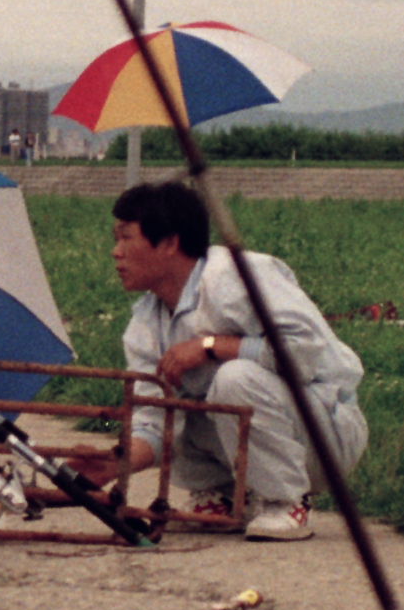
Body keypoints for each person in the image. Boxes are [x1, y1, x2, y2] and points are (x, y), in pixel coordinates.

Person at [107, 178, 362, 543]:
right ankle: (220, 497)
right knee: (169, 394)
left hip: (324, 431)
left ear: (169, 243)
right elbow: (152, 418)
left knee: (234, 378)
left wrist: (212, 345)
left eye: (125, 237)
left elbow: (304, 351)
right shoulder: (145, 321)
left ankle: (286, 500)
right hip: (260, 436)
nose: (116, 252)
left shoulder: (235, 276)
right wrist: (111, 465)